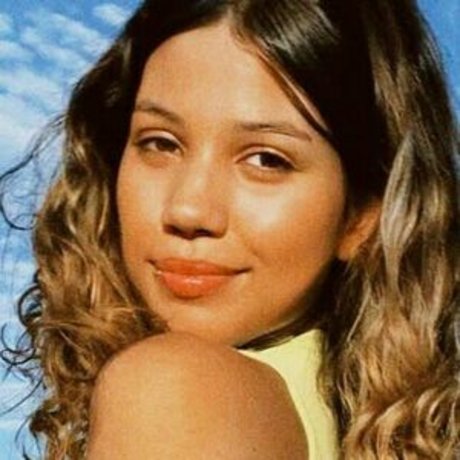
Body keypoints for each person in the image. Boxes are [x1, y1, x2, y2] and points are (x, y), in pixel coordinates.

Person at [1, 0, 458, 458]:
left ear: (361, 217)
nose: (188, 209)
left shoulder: (176, 389)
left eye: (266, 159)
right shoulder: (358, 426)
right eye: (160, 143)